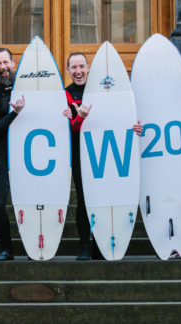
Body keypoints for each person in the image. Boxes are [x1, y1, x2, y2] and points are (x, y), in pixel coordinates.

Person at [62, 52, 104, 260]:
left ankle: (101, 243)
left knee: (101, 197)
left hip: (103, 152)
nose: (78, 71)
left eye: (81, 67)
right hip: (79, 153)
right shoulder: (66, 95)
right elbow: (70, 130)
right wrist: (80, 118)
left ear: (88, 68)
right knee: (83, 198)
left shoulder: (100, 91)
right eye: (74, 68)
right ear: (68, 70)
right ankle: (85, 246)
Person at [0, 48, 25, 261]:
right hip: (3, 152)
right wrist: (14, 114)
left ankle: (33, 246)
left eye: (5, 62)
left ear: (13, 62)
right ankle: (7, 249)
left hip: (28, 154)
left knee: (30, 201)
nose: (2, 67)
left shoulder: (26, 85)